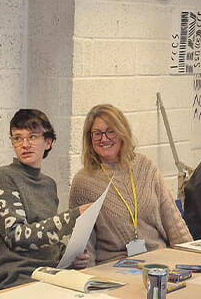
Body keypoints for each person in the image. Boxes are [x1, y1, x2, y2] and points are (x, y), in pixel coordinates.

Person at [0, 108, 92, 290]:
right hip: (20, 279)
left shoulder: (49, 185)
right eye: (17, 138)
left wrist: (70, 257)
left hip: (53, 275)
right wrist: (73, 217)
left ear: (48, 142)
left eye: (32, 137)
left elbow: (46, 240)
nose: (25, 144)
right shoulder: (2, 177)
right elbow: (16, 237)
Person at [68, 104, 192, 263]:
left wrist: (191, 258)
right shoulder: (83, 182)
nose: (104, 139)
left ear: (122, 133)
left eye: (110, 131)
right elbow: (85, 247)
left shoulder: (145, 166)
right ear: (89, 138)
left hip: (159, 260)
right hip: (114, 267)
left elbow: (173, 222)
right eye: (97, 133)